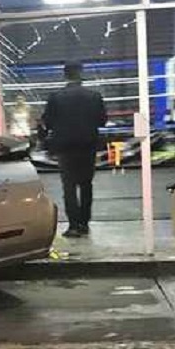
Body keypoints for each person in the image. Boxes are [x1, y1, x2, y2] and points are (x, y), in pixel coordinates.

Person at [42, 61, 107, 238]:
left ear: (65, 75)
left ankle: (73, 226)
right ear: (81, 73)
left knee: (68, 187)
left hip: (65, 148)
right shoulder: (94, 96)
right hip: (88, 146)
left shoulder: (55, 97)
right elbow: (102, 121)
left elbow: (47, 122)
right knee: (86, 185)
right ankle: (84, 223)